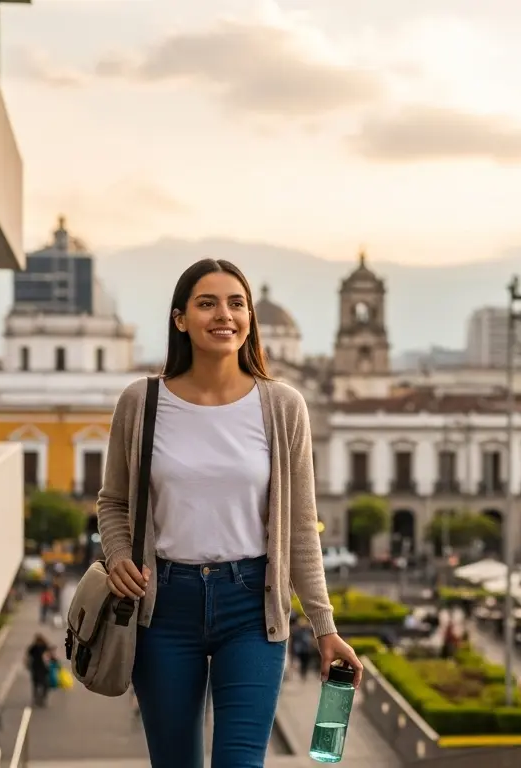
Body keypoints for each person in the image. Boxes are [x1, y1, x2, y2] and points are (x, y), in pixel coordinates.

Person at [99, 259, 362, 768]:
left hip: (252, 606)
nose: (225, 315)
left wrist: (324, 627)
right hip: (163, 605)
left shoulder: (283, 405)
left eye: (236, 303)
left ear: (249, 318)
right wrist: (115, 555)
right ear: (180, 319)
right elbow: (112, 501)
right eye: (207, 303)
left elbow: (301, 526)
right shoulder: (141, 402)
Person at [26, 634, 51, 707]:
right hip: (43, 667)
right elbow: (49, 656)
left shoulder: (33, 647)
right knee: (45, 684)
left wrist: (28, 665)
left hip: (35, 667)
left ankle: (36, 698)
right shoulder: (45, 646)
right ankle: (43, 698)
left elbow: (28, 656)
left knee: (35, 684)